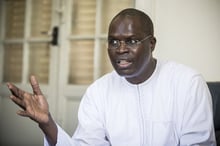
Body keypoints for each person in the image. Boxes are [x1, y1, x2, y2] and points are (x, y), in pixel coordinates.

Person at [7, 8, 216, 146]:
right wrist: (47, 124)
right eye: (113, 42)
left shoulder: (187, 83)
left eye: (131, 41)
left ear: (151, 44)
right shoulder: (99, 92)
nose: (120, 49)